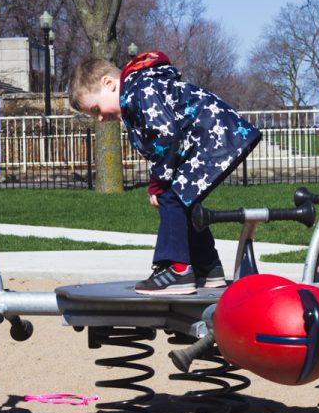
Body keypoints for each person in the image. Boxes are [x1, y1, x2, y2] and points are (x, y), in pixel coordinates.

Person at [69, 51, 261, 295]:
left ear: (108, 83)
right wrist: (159, 179)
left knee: (171, 196)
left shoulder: (140, 91)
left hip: (213, 139)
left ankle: (176, 270)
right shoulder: (140, 90)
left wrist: (158, 182)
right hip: (216, 137)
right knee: (183, 200)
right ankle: (208, 268)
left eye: (96, 108)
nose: (99, 117)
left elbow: (166, 136)